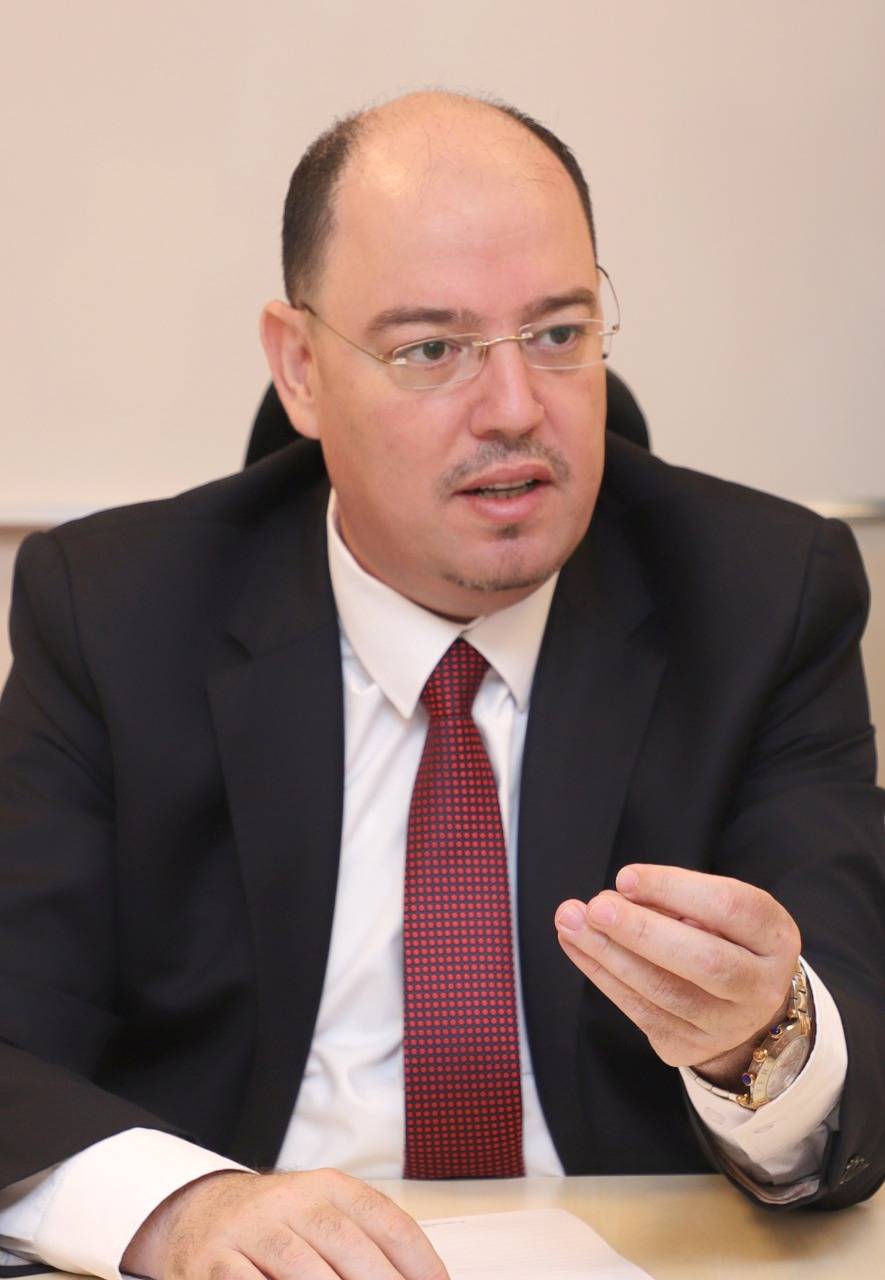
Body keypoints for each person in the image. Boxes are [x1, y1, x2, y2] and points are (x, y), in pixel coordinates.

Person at [0, 91, 883, 1280]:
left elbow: (852, 1075)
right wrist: (185, 1208)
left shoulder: (762, 597)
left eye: (558, 333)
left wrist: (760, 1043)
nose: (516, 409)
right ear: (301, 367)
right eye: (431, 349)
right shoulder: (115, 612)